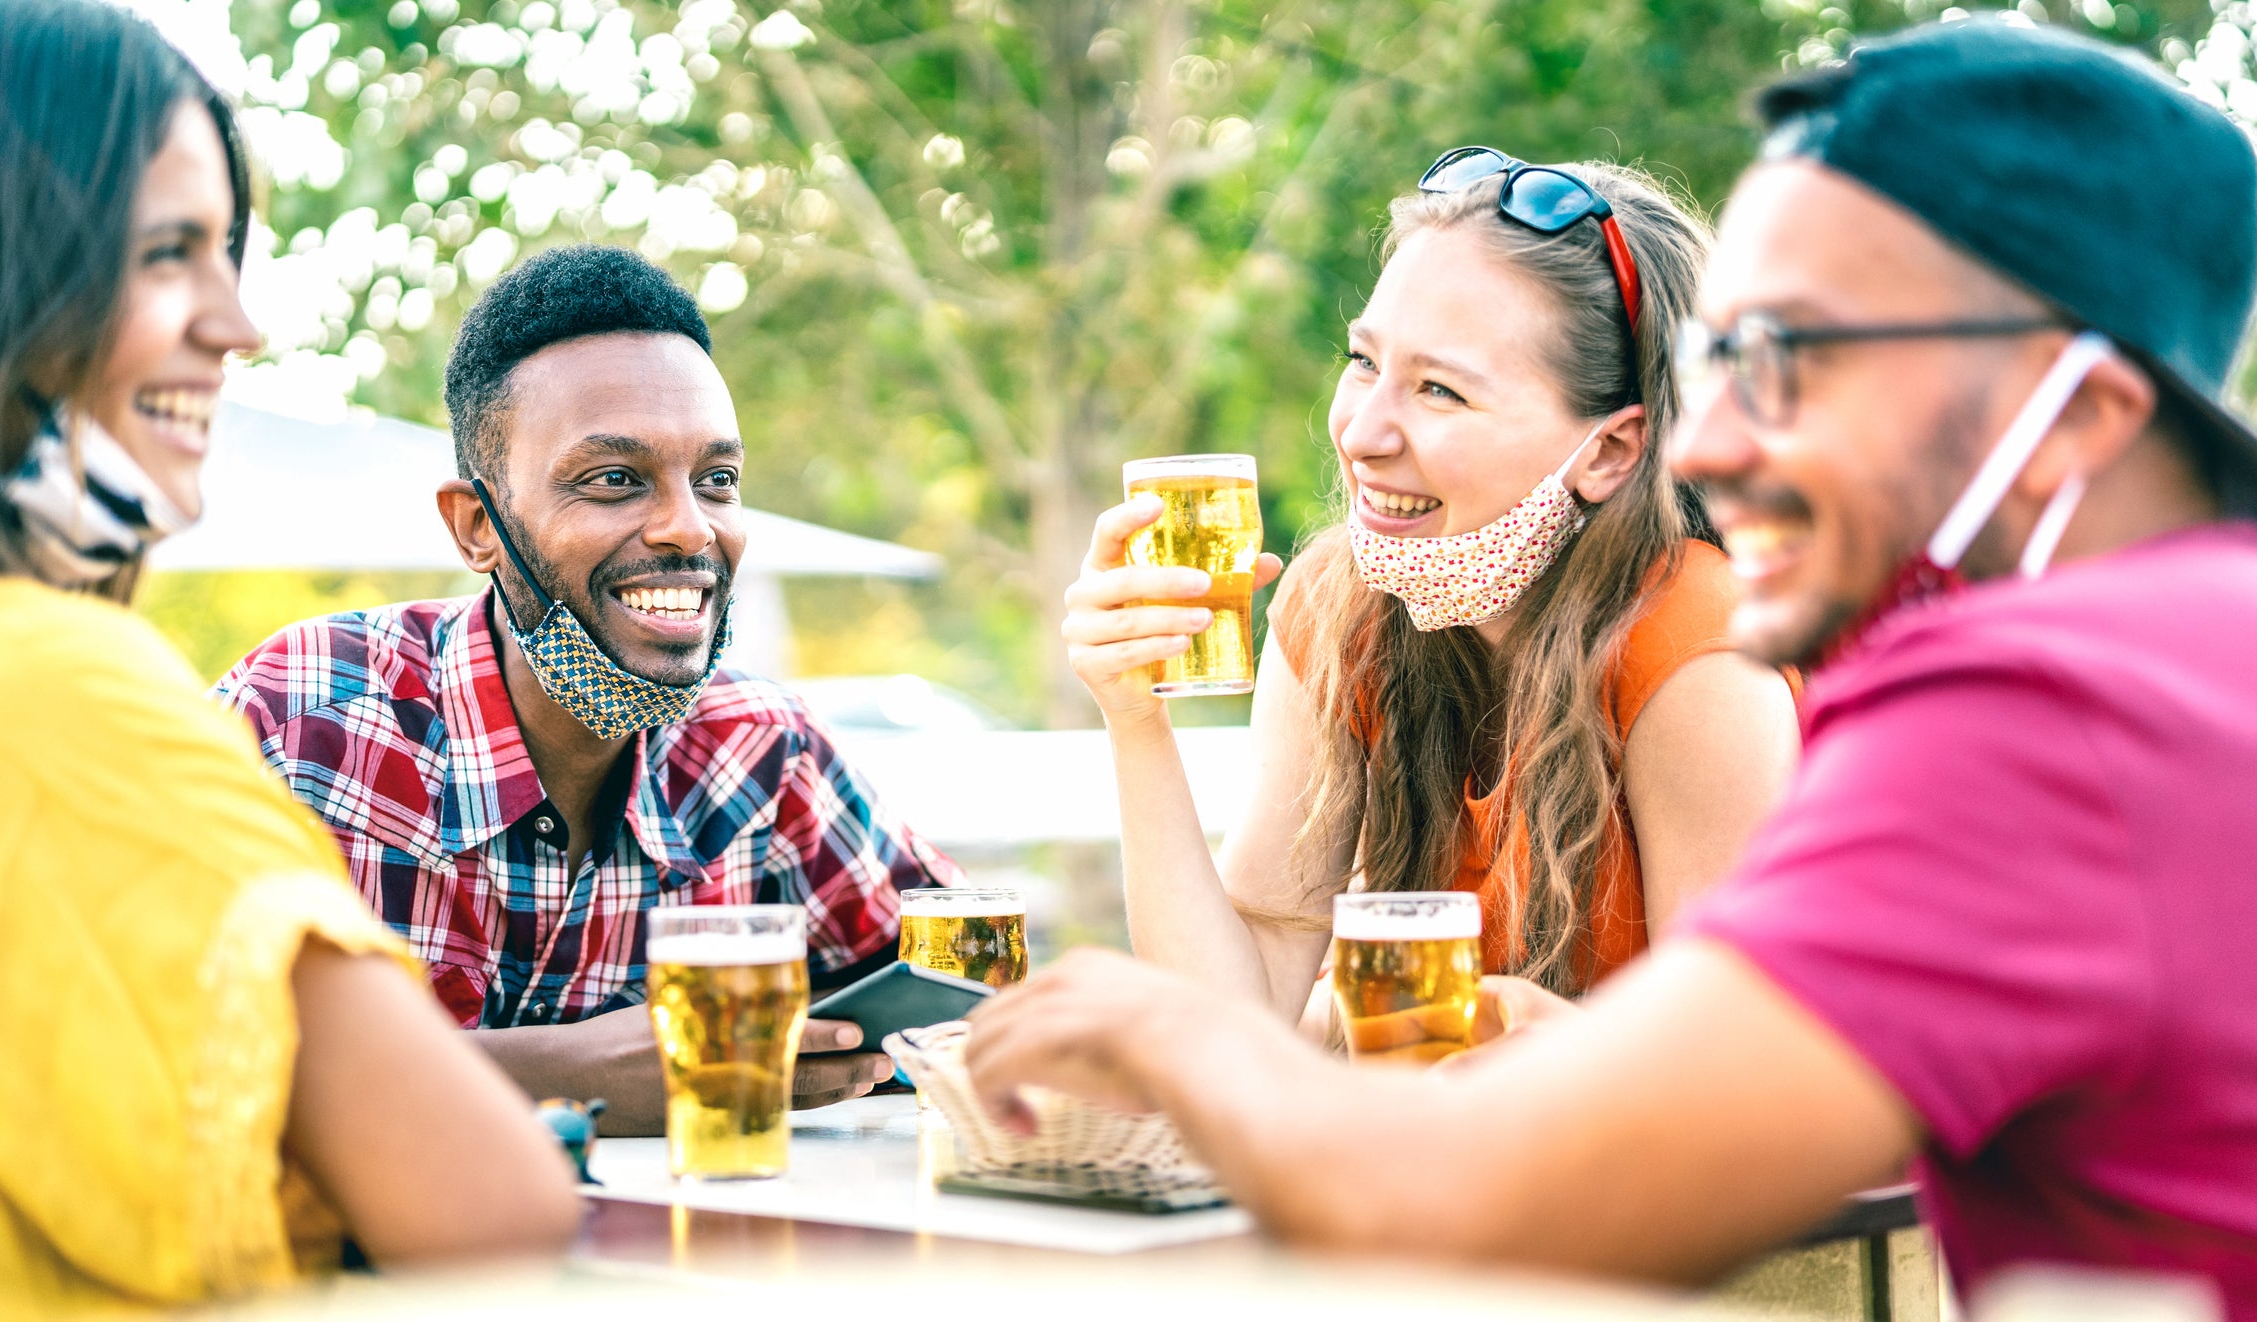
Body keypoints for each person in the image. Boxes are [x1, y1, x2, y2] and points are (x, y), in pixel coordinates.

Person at [967, 19, 2257, 1312]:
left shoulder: (2033, 710)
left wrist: (1163, 1031)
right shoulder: (2178, 650)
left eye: (1799, 360)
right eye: (1722, 361)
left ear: (2074, 417)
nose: (1713, 444)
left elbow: (1492, 1196)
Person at [0, 1, 579, 1311]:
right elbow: (494, 1205)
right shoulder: (62, 689)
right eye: (163, 255)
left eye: (228, 254)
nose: (237, 322)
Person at [214, 244, 961, 1135]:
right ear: (478, 526)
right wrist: (572, 1076)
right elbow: (155, 1052)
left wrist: (853, 1048)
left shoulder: (762, 746)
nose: (690, 529)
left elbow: (963, 991)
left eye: (717, 480)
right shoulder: (304, 719)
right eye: (615, 480)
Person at [1062, 152, 1798, 1036]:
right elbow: (1232, 1019)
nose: (1363, 434)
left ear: (1609, 452)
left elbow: (1729, 1065)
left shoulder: (1698, 646)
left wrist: (1525, 1039)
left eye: (1439, 389)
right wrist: (1134, 716)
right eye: (1364, 362)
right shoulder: (1341, 607)